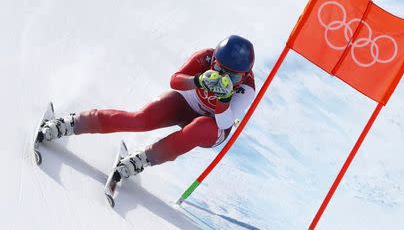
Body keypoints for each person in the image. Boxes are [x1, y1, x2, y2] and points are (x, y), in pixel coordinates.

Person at [38, 35, 256, 181]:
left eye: (233, 75)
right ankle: (74, 122)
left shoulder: (246, 88)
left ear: (244, 75)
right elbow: (175, 81)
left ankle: (145, 158)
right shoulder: (205, 57)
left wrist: (223, 97)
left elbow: (225, 122)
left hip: (213, 126)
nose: (223, 76)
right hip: (187, 103)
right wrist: (197, 81)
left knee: (200, 126)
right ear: (213, 60)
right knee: (140, 120)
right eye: (218, 67)